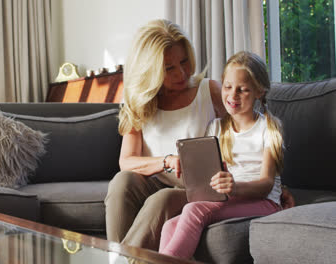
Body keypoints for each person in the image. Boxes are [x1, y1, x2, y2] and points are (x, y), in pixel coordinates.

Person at [104, 19, 295, 252]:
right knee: (122, 182)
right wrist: (166, 161)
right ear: (150, 69)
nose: (182, 73)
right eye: (169, 68)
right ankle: (114, 255)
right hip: (156, 180)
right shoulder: (139, 102)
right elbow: (127, 162)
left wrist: (275, 186)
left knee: (162, 199)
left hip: (196, 186)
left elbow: (247, 131)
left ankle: (124, 260)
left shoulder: (210, 91)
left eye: (184, 61)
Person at [158, 51, 284, 259]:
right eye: (227, 86)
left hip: (264, 202)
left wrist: (235, 187)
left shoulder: (268, 128)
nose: (232, 96)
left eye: (242, 90)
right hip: (227, 198)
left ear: (259, 91)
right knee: (170, 225)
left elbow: (266, 184)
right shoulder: (215, 128)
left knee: (193, 211)